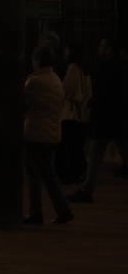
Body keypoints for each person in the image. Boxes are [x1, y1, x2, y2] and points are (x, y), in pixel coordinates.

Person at [71, 39, 125, 203]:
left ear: (109, 50)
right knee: (97, 153)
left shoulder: (108, 68)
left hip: (104, 118)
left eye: (103, 46)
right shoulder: (116, 68)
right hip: (112, 118)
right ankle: (87, 189)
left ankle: (87, 190)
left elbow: (105, 93)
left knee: (95, 154)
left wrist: (94, 102)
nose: (99, 48)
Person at [24, 44, 73, 225]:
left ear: (37, 60)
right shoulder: (55, 79)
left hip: (35, 133)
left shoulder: (34, 81)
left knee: (33, 176)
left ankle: (35, 212)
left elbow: (24, 104)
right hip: (52, 133)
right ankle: (63, 209)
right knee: (50, 176)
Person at [57, 43, 91, 185]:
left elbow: (68, 91)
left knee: (68, 145)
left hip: (69, 112)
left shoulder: (72, 68)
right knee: (76, 145)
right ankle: (78, 171)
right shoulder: (82, 69)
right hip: (78, 113)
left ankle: (69, 173)